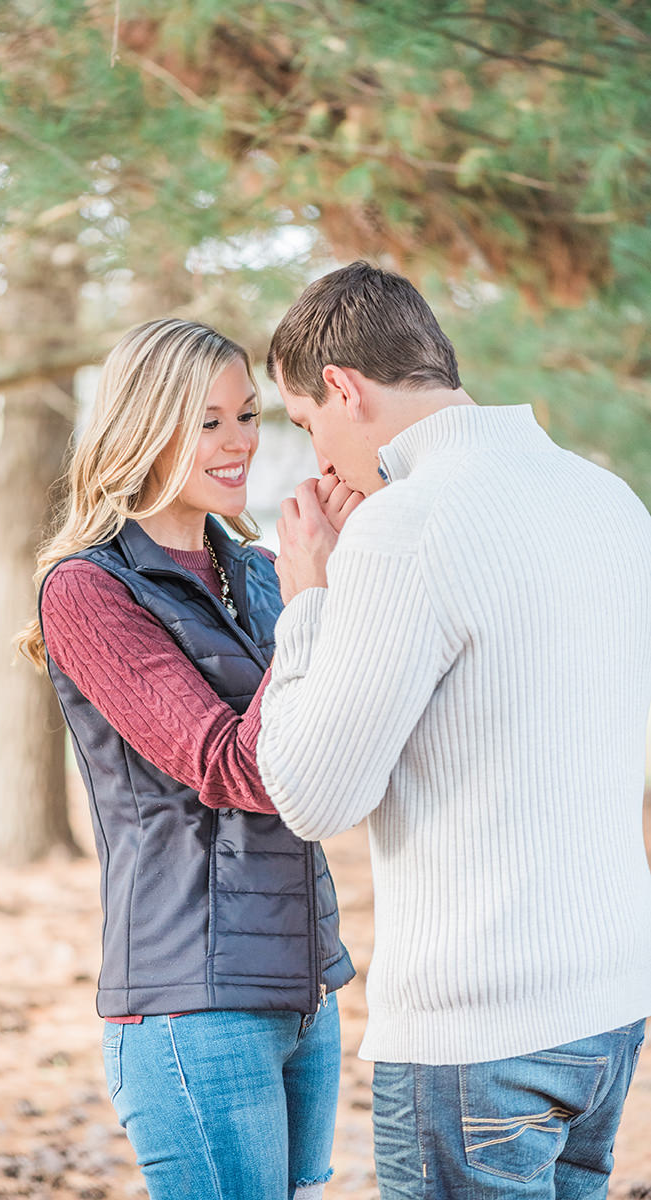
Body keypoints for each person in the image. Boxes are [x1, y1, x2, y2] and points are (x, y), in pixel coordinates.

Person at [256, 261, 651, 1199]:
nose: (317, 464)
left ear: (344, 388)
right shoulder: (610, 503)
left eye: (309, 424)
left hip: (479, 1031)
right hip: (608, 1005)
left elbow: (313, 796)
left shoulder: (408, 526)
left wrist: (308, 592)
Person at [16, 317, 357, 1200]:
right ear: (144, 426)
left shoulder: (253, 570)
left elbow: (330, 735)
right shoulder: (88, 589)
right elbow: (233, 768)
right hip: (190, 1005)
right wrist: (312, 589)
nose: (240, 440)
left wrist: (341, 573)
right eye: (208, 421)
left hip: (301, 988)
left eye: (247, 415)